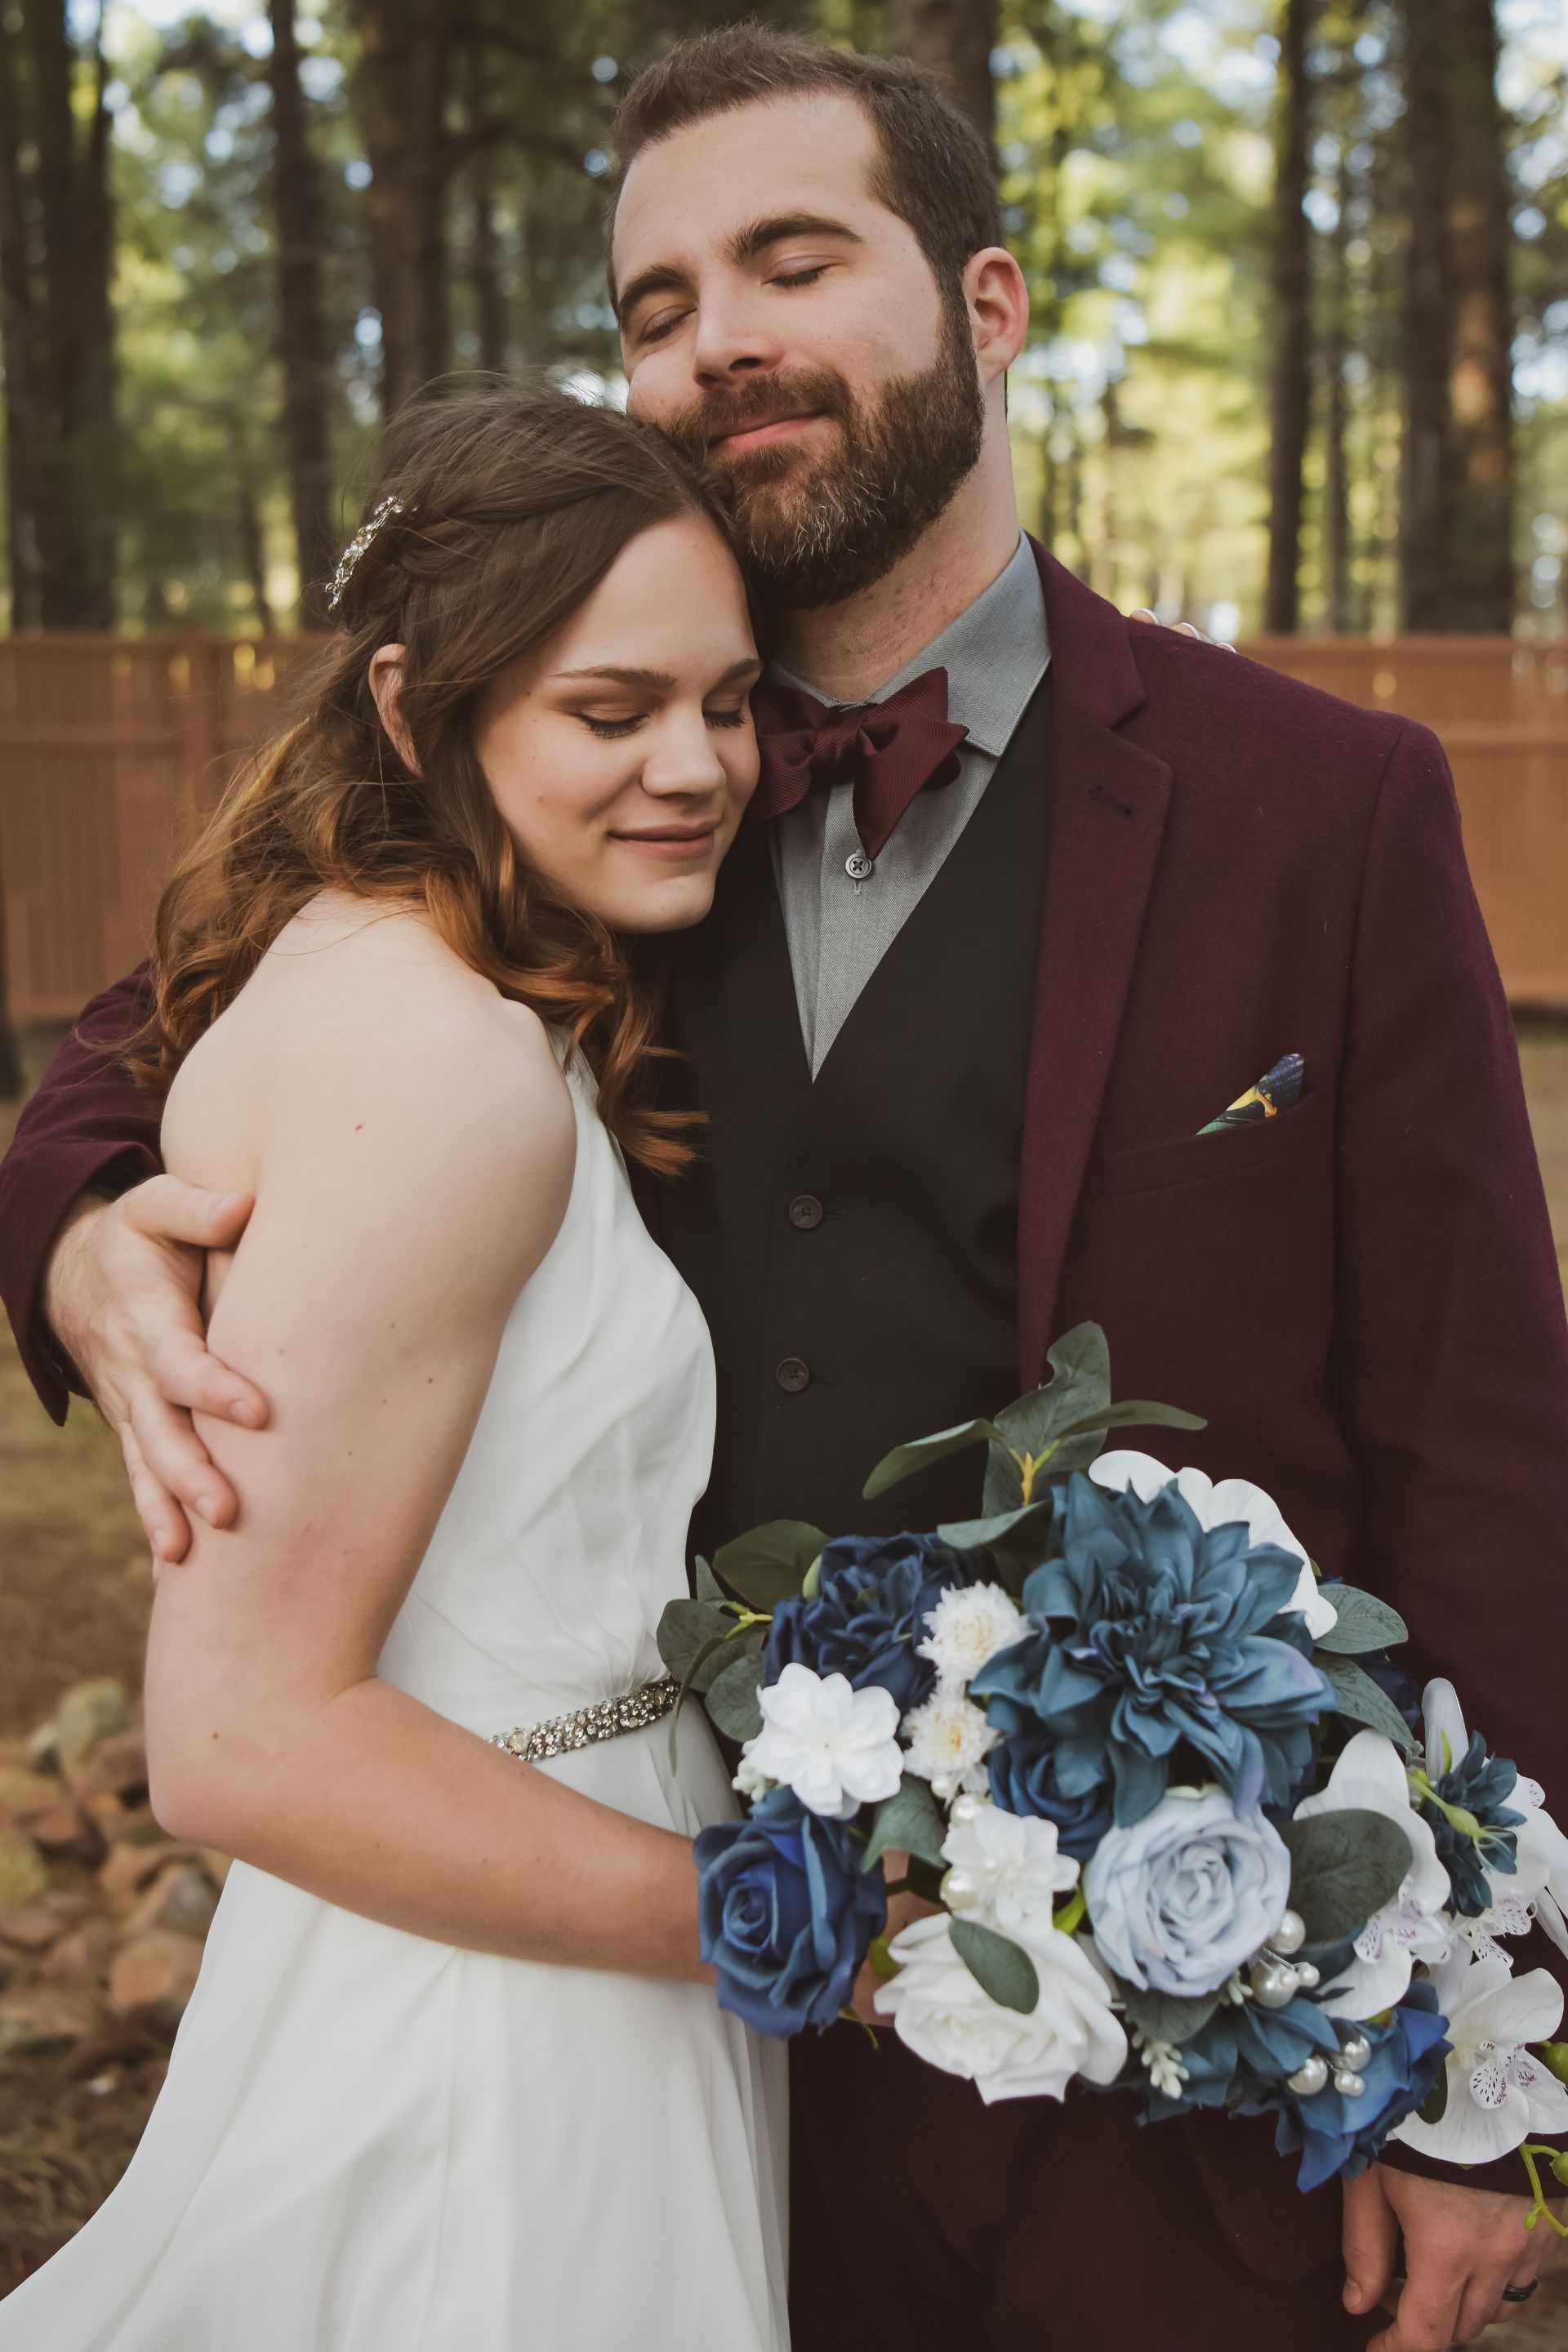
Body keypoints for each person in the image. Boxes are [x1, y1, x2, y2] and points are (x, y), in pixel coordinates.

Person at [2, 24, 1566, 2352]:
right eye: (653, 303)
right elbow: (174, 1021)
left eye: (793, 257)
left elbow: (1480, 1444)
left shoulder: (1322, 808)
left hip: (1179, 2066)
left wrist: (1473, 2067)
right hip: (680, 2004)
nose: (716, 334)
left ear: (991, 306)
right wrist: (81, 1220)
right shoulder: (585, 778)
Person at [0, 386, 787, 2350]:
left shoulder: (386, 962)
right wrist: (786, 1933)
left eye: (731, 700)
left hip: (509, 1919)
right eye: (611, 713)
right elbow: (238, 1739)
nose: (695, 766)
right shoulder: (441, 1061)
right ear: (419, 707)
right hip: (503, 2014)